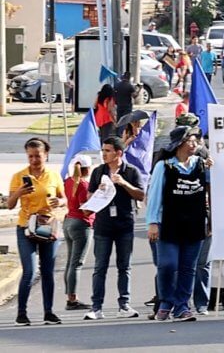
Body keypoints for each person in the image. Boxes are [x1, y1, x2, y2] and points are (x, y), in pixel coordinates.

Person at [146, 126, 209, 322]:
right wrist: (153, 222)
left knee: (188, 268)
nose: (195, 144)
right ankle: (166, 301)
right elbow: (154, 195)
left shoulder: (201, 164)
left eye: (196, 141)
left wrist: (210, 221)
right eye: (190, 140)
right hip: (170, 224)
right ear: (180, 143)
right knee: (167, 264)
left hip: (195, 223)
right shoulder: (164, 166)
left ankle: (182, 306)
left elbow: (211, 188)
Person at [85, 137, 146, 321]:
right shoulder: (98, 172)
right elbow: (89, 199)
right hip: (103, 225)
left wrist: (123, 183)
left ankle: (124, 305)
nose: (104, 154)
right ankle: (96, 307)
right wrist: (99, 191)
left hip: (124, 225)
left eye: (108, 151)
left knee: (124, 267)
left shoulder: (131, 171)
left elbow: (141, 195)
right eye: (103, 150)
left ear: (118, 153)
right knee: (100, 267)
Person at [8, 138, 66, 326]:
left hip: (48, 226)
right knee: (30, 271)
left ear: (46, 154)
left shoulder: (53, 175)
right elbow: (9, 204)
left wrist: (60, 202)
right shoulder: (19, 176)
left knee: (48, 271)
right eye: (30, 156)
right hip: (26, 226)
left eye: (38, 156)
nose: (34, 160)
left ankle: (48, 312)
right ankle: (21, 313)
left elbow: (63, 198)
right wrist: (19, 193)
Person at [63, 154, 94, 311]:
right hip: (81, 224)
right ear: (87, 169)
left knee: (70, 261)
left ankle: (69, 295)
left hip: (68, 221)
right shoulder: (83, 185)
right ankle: (72, 298)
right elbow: (85, 210)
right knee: (77, 263)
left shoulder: (69, 182)